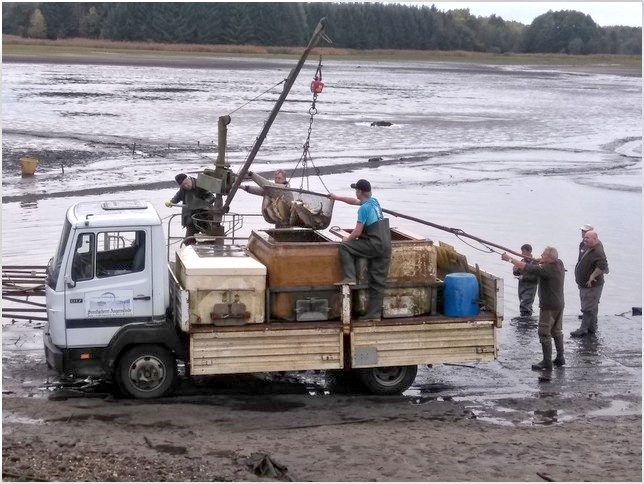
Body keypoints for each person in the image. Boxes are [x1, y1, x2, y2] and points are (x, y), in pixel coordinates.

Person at [330, 179, 392, 321]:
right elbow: (352, 201)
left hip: (374, 244)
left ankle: (350, 277)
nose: (355, 193)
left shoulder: (363, 209)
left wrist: (347, 239)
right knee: (378, 281)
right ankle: (374, 314)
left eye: (356, 190)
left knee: (345, 246)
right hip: (385, 245)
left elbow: (357, 233)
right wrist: (336, 197)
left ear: (360, 192)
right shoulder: (374, 202)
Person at [502, 247, 565, 371]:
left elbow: (527, 268)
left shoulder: (546, 270)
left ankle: (547, 362)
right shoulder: (559, 263)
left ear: (550, 258)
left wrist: (509, 259)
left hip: (549, 306)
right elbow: (540, 264)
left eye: (544, 254)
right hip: (559, 304)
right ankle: (560, 357)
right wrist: (540, 260)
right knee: (556, 330)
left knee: (544, 332)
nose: (541, 254)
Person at [571, 230, 608, 338]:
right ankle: (591, 328)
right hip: (585, 284)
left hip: (593, 285)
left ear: (595, 239)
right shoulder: (589, 247)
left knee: (587, 307)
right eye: (584, 237)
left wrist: (592, 276)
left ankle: (583, 329)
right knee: (591, 305)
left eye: (587, 238)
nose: (584, 239)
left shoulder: (598, 251)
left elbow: (603, 266)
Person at [165, 173, 215, 244]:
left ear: (189, 178)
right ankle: (192, 252)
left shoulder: (200, 185)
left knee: (210, 239)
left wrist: (203, 203)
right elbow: (178, 196)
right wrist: (171, 202)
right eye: (183, 185)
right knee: (188, 241)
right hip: (190, 218)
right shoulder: (183, 189)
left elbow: (211, 197)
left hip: (205, 216)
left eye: (186, 183)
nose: (186, 186)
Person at [513, 244, 539, 317]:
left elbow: (536, 278)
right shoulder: (521, 261)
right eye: (522, 252)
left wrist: (523, 277)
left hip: (530, 288)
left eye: (523, 252)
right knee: (524, 305)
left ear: (529, 251)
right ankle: (528, 321)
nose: (522, 254)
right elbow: (517, 273)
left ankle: (526, 324)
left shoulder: (535, 263)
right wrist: (515, 270)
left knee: (525, 306)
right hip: (521, 288)